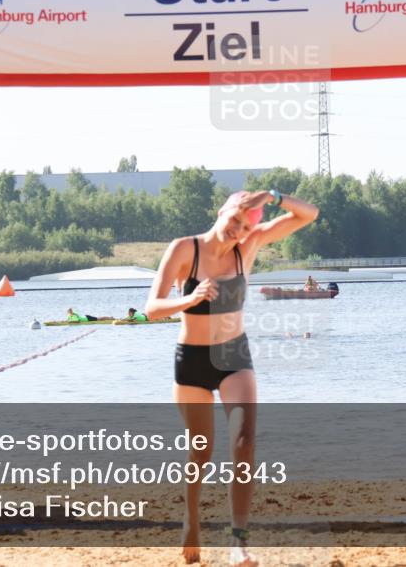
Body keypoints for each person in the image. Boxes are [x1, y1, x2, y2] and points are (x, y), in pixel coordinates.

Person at [145, 189, 318, 566]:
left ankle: (238, 541)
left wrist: (273, 196)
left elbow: (309, 214)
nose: (237, 230)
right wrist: (187, 300)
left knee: (244, 442)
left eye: (244, 226)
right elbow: (151, 309)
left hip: (233, 357)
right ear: (221, 210)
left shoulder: (248, 246)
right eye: (234, 220)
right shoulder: (183, 249)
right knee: (201, 451)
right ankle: (191, 519)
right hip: (190, 361)